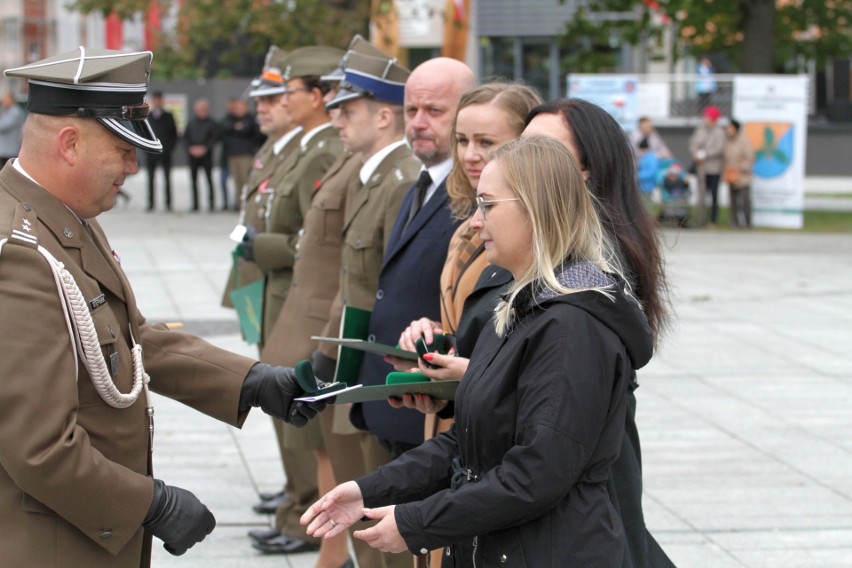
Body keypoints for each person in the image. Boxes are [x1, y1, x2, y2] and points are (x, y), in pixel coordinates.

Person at [0, 46, 323, 568]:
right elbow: (37, 448)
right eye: (123, 148)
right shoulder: (17, 254)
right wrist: (150, 503)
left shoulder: (63, 220)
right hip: (53, 541)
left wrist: (252, 381)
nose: (133, 165)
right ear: (69, 144)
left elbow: (127, 336)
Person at [301, 135, 653, 567]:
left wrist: (416, 523)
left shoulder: (572, 326)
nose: (474, 222)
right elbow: (468, 442)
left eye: (487, 205)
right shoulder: (520, 302)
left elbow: (538, 473)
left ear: (536, 208)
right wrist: (367, 489)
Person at [391, 81, 543, 568]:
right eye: (462, 141)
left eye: (487, 142)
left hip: (492, 429)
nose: (471, 154)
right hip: (449, 417)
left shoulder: (526, 236)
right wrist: (430, 332)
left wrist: (465, 369)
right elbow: (465, 318)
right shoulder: (466, 226)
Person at [308, 46, 422, 568]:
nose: (336, 119)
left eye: (348, 110)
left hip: (382, 368)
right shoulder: (371, 174)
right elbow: (350, 280)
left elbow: (389, 284)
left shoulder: (399, 180)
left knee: (380, 514)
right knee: (361, 506)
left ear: (382, 115)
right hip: (356, 362)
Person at [245, 45, 345, 558]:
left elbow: (313, 239)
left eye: (288, 91)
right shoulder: (297, 146)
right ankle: (297, 500)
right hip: (272, 289)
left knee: (304, 420)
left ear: (317, 95)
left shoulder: (324, 150)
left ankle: (307, 508)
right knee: (285, 410)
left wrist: (257, 246)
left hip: (295, 292)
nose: (278, 101)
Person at [351, 57, 475, 454]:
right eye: (411, 110)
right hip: (394, 401)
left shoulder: (475, 197)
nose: (418, 122)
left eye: (435, 111)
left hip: (430, 407)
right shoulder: (418, 184)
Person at [689, 105, 726, 225]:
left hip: (714, 168)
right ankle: (700, 219)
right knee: (701, 194)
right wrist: (695, 154)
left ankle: (713, 220)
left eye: (707, 117)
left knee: (714, 194)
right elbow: (693, 143)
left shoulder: (719, 132)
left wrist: (704, 155)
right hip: (701, 167)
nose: (704, 119)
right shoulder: (700, 130)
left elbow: (719, 149)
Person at [221, 97, 260, 210]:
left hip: (245, 154)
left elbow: (247, 130)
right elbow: (225, 128)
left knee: (245, 180)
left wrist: (238, 129)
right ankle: (239, 203)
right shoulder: (231, 118)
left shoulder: (250, 119)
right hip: (233, 153)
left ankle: (248, 203)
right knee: (237, 181)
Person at [144, 91, 178, 211]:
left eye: (160, 100)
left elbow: (174, 134)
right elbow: (144, 134)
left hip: (165, 153)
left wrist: (169, 149)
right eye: (156, 100)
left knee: (167, 179)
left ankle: (168, 203)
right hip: (151, 153)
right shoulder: (148, 116)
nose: (158, 102)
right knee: (150, 179)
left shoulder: (169, 116)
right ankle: (151, 203)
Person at [184, 98, 218, 211]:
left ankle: (211, 203)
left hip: (206, 155)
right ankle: (195, 204)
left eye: (204, 109)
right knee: (193, 180)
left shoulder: (211, 123)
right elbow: (185, 138)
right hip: (193, 155)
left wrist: (205, 148)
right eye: (199, 109)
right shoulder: (191, 122)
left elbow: (214, 138)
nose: (201, 111)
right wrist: (190, 148)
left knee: (209, 179)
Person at [723, 118, 755, 228]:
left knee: (745, 200)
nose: (728, 130)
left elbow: (749, 158)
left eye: (730, 127)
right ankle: (734, 222)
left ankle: (747, 222)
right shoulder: (728, 142)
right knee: (733, 201)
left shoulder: (744, 141)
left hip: (743, 176)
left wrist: (740, 168)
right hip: (731, 175)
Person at [0, 91, 25, 168]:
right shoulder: (7, 110)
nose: (3, 100)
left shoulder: (15, 112)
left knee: (6, 168)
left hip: (10, 149)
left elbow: (2, 126)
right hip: (5, 148)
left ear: (11, 99)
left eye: (6, 98)